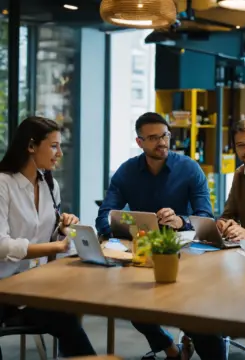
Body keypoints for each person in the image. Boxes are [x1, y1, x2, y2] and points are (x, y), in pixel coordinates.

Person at [96, 112, 215, 360]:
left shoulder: (190, 169)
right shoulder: (127, 172)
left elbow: (206, 218)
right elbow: (105, 216)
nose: (162, 142)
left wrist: (180, 220)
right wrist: (120, 231)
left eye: (165, 136)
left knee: (196, 317)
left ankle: (196, 340)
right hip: (143, 254)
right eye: (153, 138)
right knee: (133, 306)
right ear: (139, 142)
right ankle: (171, 348)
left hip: (187, 254)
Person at [0, 116, 96, 358]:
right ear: (31, 146)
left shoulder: (49, 185)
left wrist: (63, 227)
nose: (60, 153)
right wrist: (54, 245)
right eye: (54, 146)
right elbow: (1, 246)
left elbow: (43, 231)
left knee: (69, 323)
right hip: (2, 288)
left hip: (32, 287)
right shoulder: (3, 184)